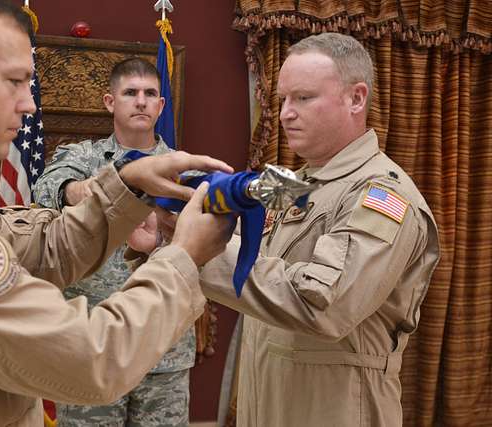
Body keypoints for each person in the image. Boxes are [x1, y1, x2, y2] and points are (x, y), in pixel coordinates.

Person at [0, 1, 236, 426]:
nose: (28, 104)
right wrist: (182, 257)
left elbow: (43, 249)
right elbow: (90, 359)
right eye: (14, 82)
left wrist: (127, 188)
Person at [157, 33, 440, 426]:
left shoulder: (382, 194)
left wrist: (200, 250)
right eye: (283, 99)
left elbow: (324, 306)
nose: (286, 113)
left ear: (356, 99)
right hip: (269, 403)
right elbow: (257, 257)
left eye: (303, 98)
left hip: (335, 412)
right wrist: (173, 228)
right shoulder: (293, 183)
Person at [34, 58, 195, 427]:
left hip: (162, 348)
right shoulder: (82, 157)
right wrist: (86, 190)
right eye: (130, 93)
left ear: (161, 106)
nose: (141, 101)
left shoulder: (185, 170)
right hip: (94, 344)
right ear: (110, 102)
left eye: (149, 94)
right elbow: (48, 190)